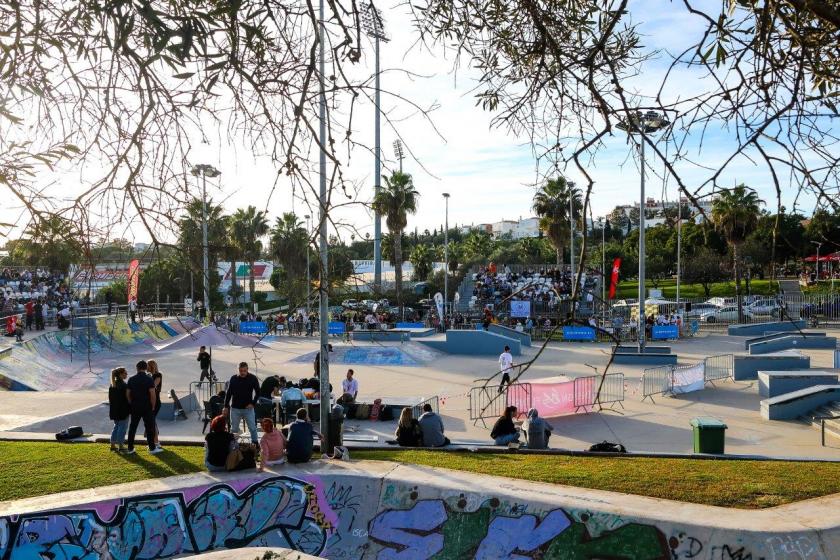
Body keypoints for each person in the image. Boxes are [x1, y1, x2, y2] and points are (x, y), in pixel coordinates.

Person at [125, 360, 161, 455]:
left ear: (137, 368)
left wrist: (131, 403)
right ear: (145, 368)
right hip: (147, 406)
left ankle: (130, 448)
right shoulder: (149, 379)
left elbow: (128, 394)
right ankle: (152, 448)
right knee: (149, 427)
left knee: (133, 427)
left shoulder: (131, 379)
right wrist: (153, 406)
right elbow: (153, 395)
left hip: (135, 406)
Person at [223, 361, 261, 444]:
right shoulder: (233, 378)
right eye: (241, 371)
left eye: (244, 371)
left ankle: (255, 445)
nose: (242, 373)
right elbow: (229, 393)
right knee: (234, 429)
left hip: (248, 409)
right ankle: (233, 446)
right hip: (235, 409)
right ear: (238, 370)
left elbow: (258, 392)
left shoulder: (253, 378)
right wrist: (225, 406)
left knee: (252, 428)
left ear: (247, 369)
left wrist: (253, 403)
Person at [108, 367, 130, 453]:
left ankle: (113, 445)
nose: (126, 374)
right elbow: (127, 398)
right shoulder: (124, 385)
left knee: (116, 426)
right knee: (122, 427)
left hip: (114, 410)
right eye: (125, 373)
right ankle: (121, 445)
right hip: (123, 410)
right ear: (120, 374)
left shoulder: (112, 385)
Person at [147, 360, 163, 451]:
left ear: (151, 366)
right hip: (149, 401)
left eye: (148, 366)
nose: (146, 368)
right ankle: (155, 441)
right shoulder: (148, 375)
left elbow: (153, 386)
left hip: (156, 401)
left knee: (152, 421)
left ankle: (156, 442)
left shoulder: (158, 375)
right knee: (152, 421)